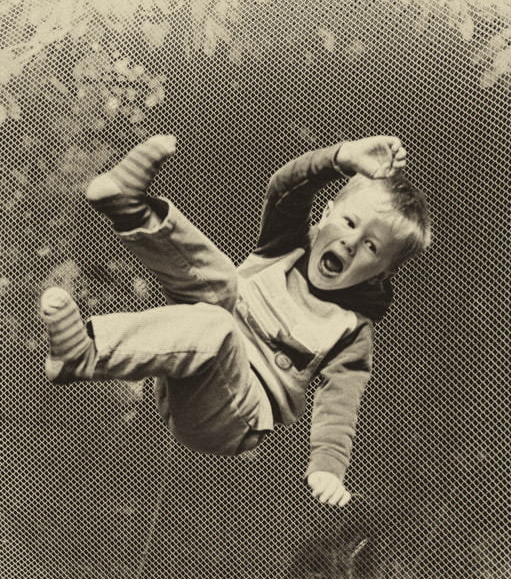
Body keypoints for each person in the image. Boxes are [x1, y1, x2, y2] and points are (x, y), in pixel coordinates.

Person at [39, 134, 430, 506]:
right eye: (349, 223)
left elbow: (340, 403)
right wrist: (341, 158)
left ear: (380, 273)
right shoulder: (286, 247)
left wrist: (327, 469)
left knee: (220, 328)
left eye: (371, 246)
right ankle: (128, 207)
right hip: (185, 362)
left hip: (232, 417)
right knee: (223, 282)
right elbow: (285, 188)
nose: (351, 242)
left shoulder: (351, 328)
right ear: (326, 215)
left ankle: (84, 354)